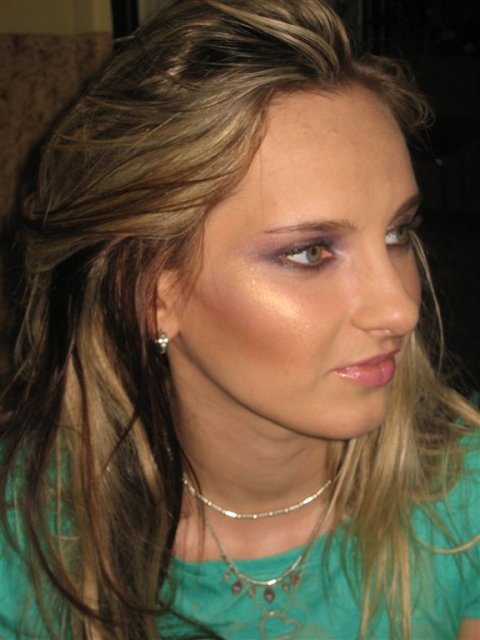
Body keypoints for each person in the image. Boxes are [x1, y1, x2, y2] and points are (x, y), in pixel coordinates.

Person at [0, 1, 479, 638]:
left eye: (397, 233)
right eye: (310, 253)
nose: (400, 308)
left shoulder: (465, 499)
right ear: (150, 293)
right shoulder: (27, 542)